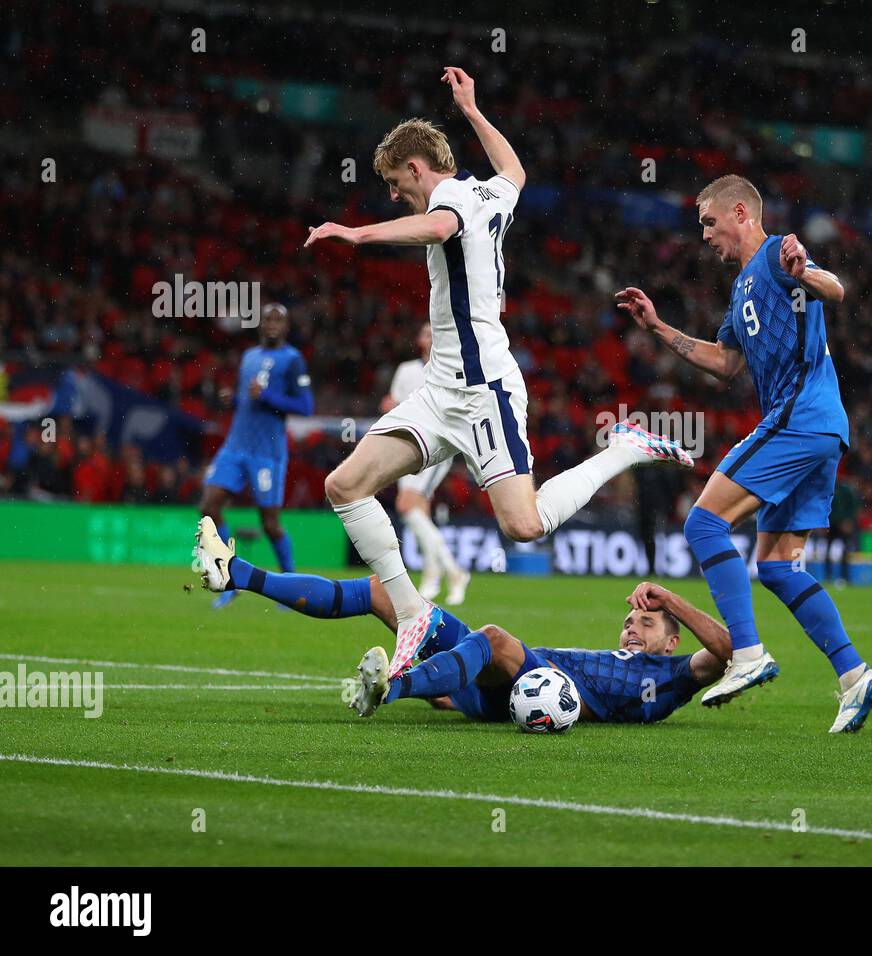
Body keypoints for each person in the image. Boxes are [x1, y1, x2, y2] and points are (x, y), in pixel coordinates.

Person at [304, 67, 692, 678]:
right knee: (343, 486)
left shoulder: (451, 201)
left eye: (392, 182)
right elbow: (516, 172)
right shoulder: (489, 191)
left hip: (484, 388)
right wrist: (474, 111)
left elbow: (435, 228)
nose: (393, 195)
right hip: (440, 389)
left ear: (414, 168)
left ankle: (623, 449)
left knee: (523, 525)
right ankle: (411, 615)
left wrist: (357, 233)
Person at [616, 174, 872, 734]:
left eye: (710, 223)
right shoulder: (742, 287)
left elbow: (833, 290)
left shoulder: (777, 255)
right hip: (820, 431)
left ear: (740, 212)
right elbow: (725, 362)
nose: (706, 237)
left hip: (798, 418)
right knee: (778, 566)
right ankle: (854, 675)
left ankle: (746, 653)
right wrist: (658, 326)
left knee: (703, 523)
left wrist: (804, 272)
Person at [191, 517, 727, 725]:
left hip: (531, 679)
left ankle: (393, 687)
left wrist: (670, 599)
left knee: (494, 639)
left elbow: (727, 650)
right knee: (385, 594)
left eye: (647, 623)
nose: (634, 625)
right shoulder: (620, 656)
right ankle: (235, 572)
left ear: (670, 642)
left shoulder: (673, 677)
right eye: (631, 618)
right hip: (506, 684)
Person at [199, 302, 313, 609]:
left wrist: (267, 397)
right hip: (236, 446)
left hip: (267, 452)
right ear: (260, 324)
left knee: (270, 524)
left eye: (278, 319)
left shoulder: (292, 360)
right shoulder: (249, 357)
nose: (272, 324)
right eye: (267, 319)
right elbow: (246, 403)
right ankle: (229, 578)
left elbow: (305, 407)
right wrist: (233, 399)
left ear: (287, 327)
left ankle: (291, 587)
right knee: (209, 507)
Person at [382, 323, 471, 605]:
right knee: (419, 511)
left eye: (435, 334)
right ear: (419, 340)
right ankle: (434, 573)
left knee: (405, 506)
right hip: (405, 444)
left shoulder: (450, 369)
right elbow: (393, 402)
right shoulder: (407, 370)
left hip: (436, 446)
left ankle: (454, 572)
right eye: (425, 334)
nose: (430, 338)